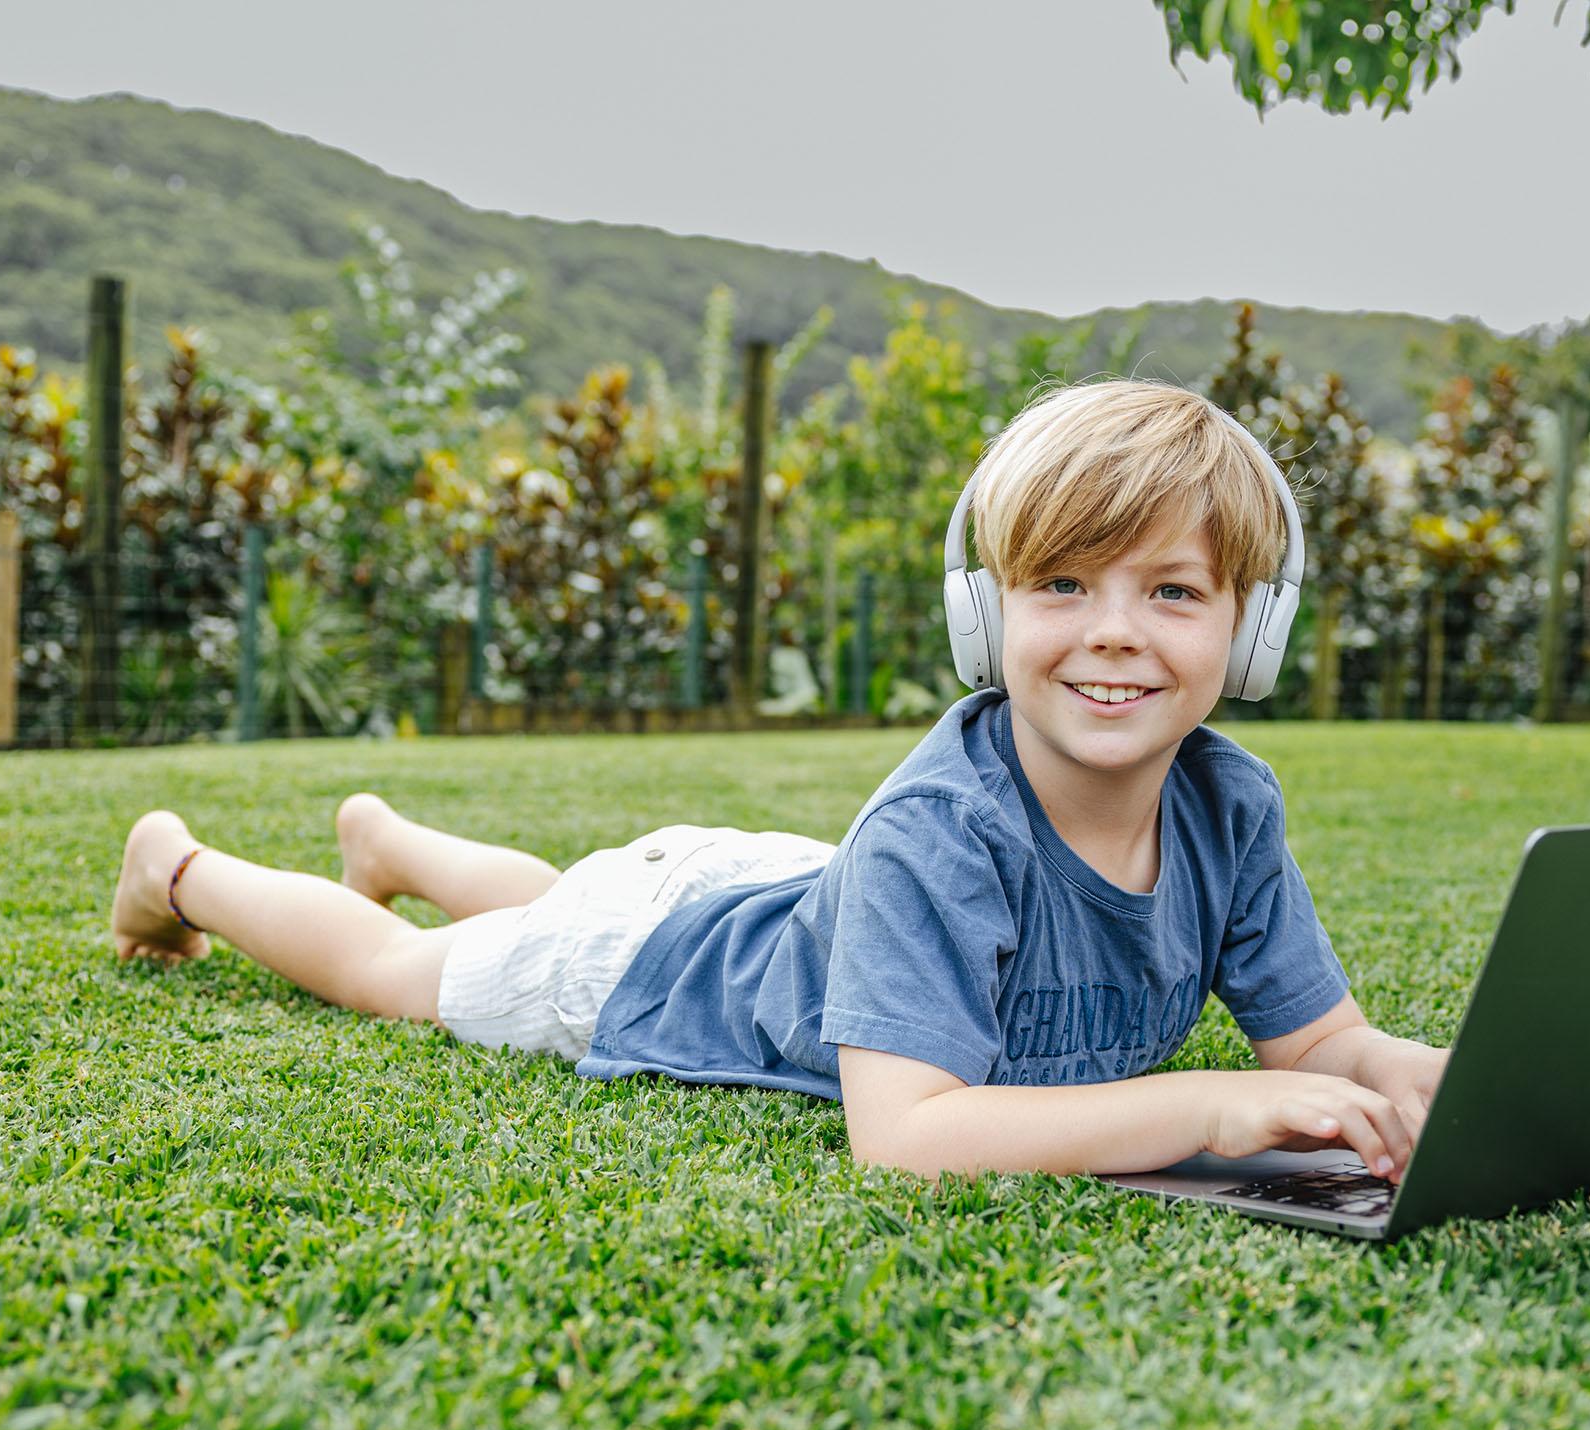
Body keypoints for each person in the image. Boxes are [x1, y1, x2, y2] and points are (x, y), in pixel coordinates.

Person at [109, 380, 1447, 1179]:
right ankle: (180, 869)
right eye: (1060, 584)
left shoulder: (1231, 805)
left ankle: (392, 838)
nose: (1112, 630)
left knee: (573, 894)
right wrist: (1214, 1107)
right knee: (404, 976)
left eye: (1171, 590)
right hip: (656, 964)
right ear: (987, 617)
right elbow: (906, 1135)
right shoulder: (945, 830)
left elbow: (1323, 1044)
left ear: (1248, 630)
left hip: (789, 892)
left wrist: (1420, 1075)